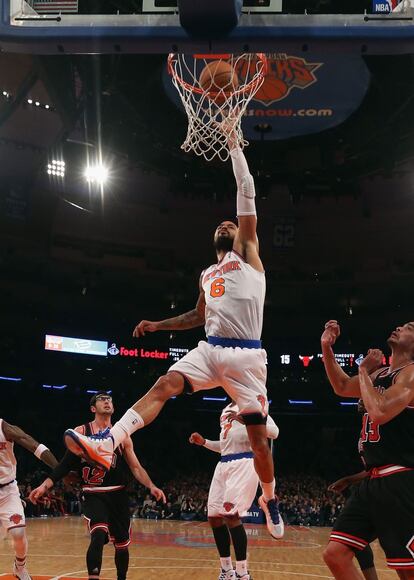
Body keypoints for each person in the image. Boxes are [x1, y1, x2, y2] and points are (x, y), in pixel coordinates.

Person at [63, 127, 284, 539]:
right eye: (221, 224)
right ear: (214, 241)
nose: (226, 223)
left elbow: (247, 190)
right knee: (165, 382)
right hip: (210, 349)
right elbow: (196, 317)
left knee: (258, 441)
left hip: (246, 357)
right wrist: (157, 324)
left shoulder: (250, 255)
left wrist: (234, 144)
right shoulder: (206, 274)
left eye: (230, 223)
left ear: (238, 234)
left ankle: (269, 497)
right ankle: (111, 440)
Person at [29, 391, 165, 580]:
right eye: (102, 399)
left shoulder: (122, 435)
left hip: (118, 493)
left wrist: (152, 486)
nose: (107, 401)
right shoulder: (82, 432)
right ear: (93, 408)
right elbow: (65, 464)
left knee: (122, 544)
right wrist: (45, 485)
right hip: (93, 493)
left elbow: (135, 466)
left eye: (110, 399)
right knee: (98, 533)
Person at [321, 320, 414, 579]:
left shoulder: (411, 373)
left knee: (407, 571)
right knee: (335, 554)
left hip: (403, 482)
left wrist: (362, 369)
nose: (399, 327)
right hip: (374, 480)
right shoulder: (380, 375)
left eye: (409, 327)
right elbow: (341, 386)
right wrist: (326, 347)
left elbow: (380, 411)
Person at [190, 401, 280, 580]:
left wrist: (246, 420)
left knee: (231, 515)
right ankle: (227, 570)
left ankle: (242, 572)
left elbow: (274, 432)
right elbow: (224, 447)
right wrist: (205, 442)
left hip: (245, 461)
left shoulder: (254, 406)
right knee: (214, 518)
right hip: (224, 463)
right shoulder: (225, 410)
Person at [0, 418, 58, 580]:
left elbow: (34, 445)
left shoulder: (5, 428)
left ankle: (20, 567)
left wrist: (59, 468)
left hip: (7, 491)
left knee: (18, 532)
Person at [328, 472, 378, 580]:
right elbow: (374, 467)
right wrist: (348, 480)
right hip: (372, 490)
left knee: (404, 561)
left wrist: (348, 480)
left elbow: (380, 466)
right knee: (335, 552)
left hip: (392, 491)